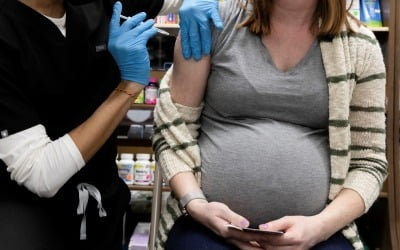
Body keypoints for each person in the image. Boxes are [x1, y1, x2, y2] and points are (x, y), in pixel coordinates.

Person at [152, 0, 388, 249]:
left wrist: (319, 228)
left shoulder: (359, 46)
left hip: (318, 233)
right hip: (204, 227)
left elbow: (369, 163)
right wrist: (196, 204)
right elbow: (173, 130)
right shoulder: (213, 22)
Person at [0, 0, 222, 249]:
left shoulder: (97, 3)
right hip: (27, 222)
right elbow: (39, 172)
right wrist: (128, 88)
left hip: (101, 207)